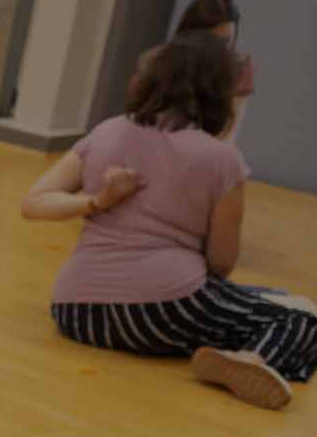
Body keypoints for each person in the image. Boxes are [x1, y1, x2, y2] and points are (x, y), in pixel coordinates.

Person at [23, 33, 312, 410]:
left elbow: (32, 203)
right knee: (302, 313)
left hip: (75, 312)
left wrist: (96, 201)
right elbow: (221, 262)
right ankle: (252, 360)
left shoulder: (107, 131)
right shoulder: (222, 158)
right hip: (162, 313)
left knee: (267, 298)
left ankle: (235, 349)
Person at [175, 0, 253, 139]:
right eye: (212, 42)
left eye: (226, 43)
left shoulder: (231, 84)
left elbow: (221, 149)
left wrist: (237, 103)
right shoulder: (163, 73)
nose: (219, 52)